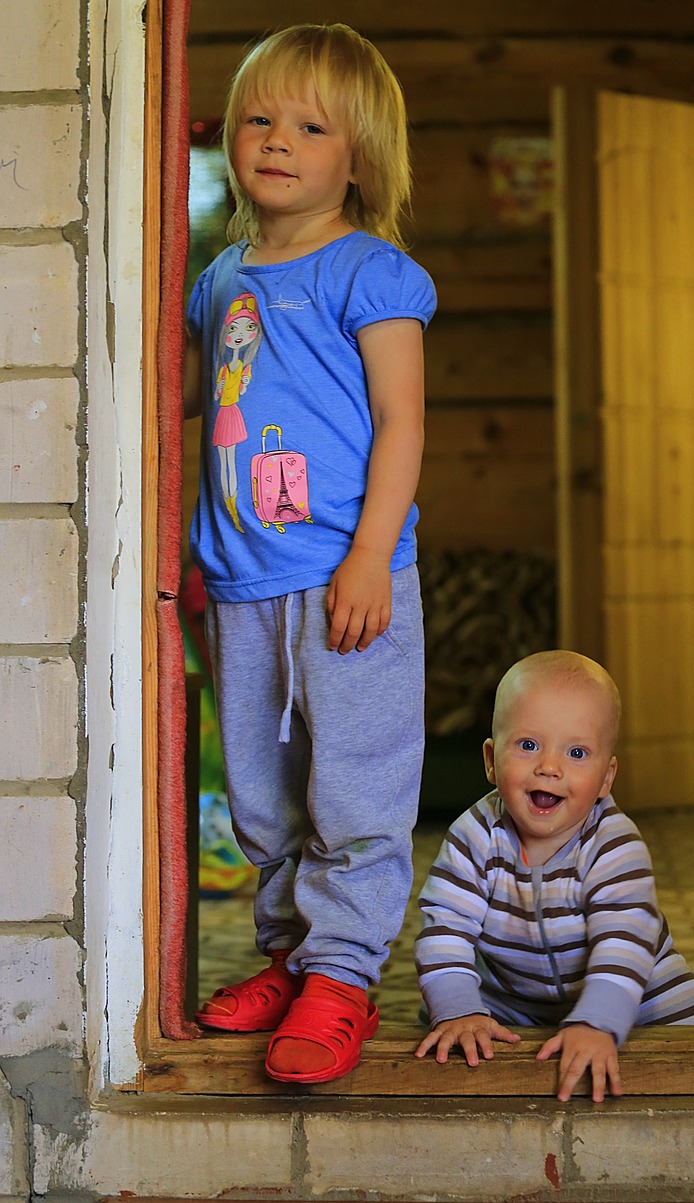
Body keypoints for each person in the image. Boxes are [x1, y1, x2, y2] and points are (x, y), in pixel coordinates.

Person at [183, 23, 436, 1085]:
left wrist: (372, 554)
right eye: (257, 118)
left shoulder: (371, 272)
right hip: (240, 585)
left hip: (346, 579)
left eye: (309, 125)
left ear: (357, 159)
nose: (276, 139)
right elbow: (195, 415)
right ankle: (289, 954)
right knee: (260, 792)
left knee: (354, 786)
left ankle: (342, 972)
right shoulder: (216, 281)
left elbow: (401, 423)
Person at [414, 650, 694, 1102]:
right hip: (513, 1000)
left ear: (605, 778)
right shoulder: (474, 836)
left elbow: (624, 943)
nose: (550, 767)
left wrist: (597, 1022)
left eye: (577, 753)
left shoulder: (614, 844)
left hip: (635, 997)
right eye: (529, 745)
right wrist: (459, 1010)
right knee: (450, 1024)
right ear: (491, 760)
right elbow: (445, 929)